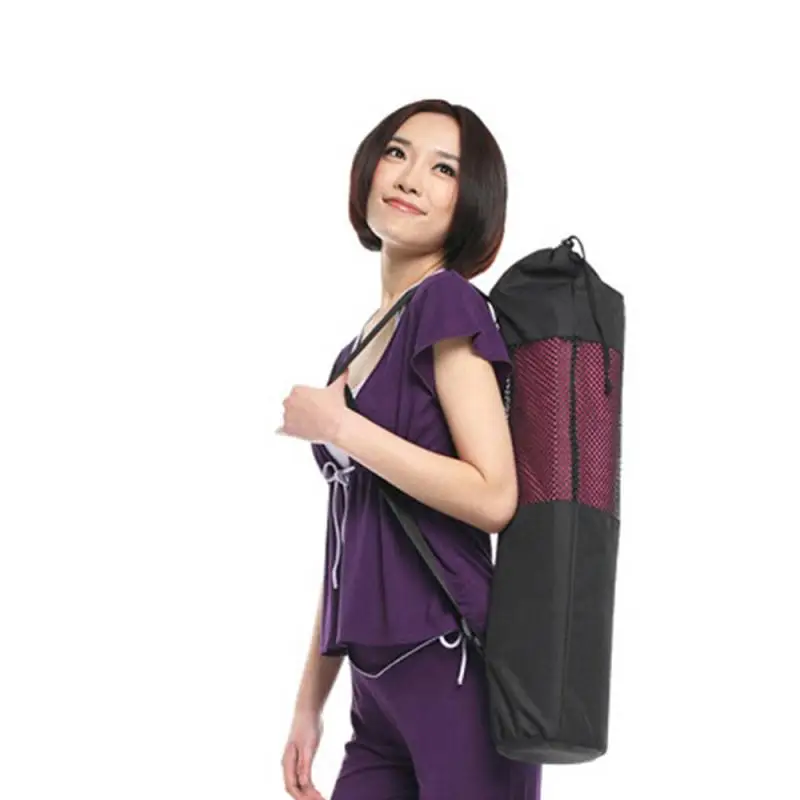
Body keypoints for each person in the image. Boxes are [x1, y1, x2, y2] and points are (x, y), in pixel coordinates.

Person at [277, 98, 542, 799]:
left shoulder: (447, 303)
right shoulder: (354, 352)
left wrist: (340, 429)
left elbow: (494, 495)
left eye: (443, 168)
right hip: (374, 690)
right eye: (397, 153)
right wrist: (309, 703)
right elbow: (349, 539)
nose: (409, 177)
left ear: (471, 200)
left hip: (452, 667)